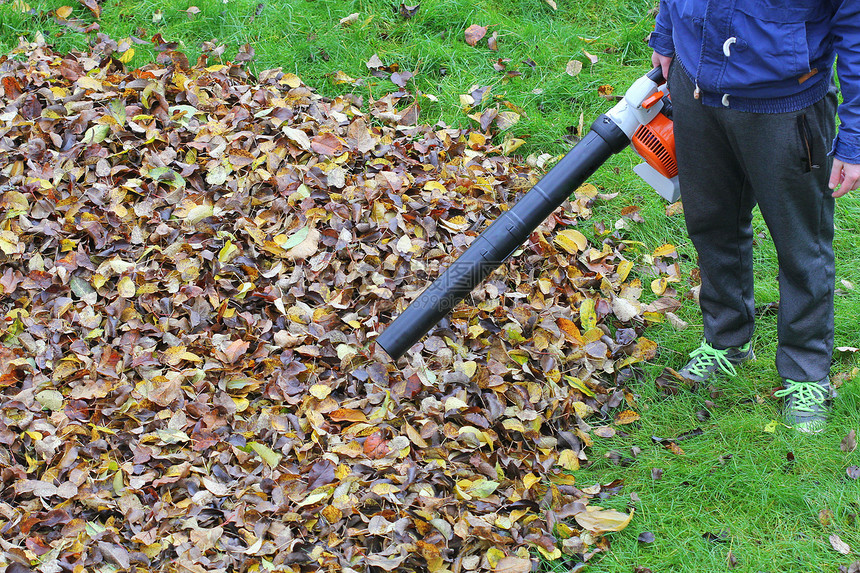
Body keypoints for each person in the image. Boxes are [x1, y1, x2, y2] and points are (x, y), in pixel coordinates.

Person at [648, 0, 860, 433]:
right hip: (696, 91)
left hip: (786, 105)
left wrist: (854, 138)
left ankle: (806, 374)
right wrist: (667, 34)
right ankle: (726, 340)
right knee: (711, 225)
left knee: (801, 245)